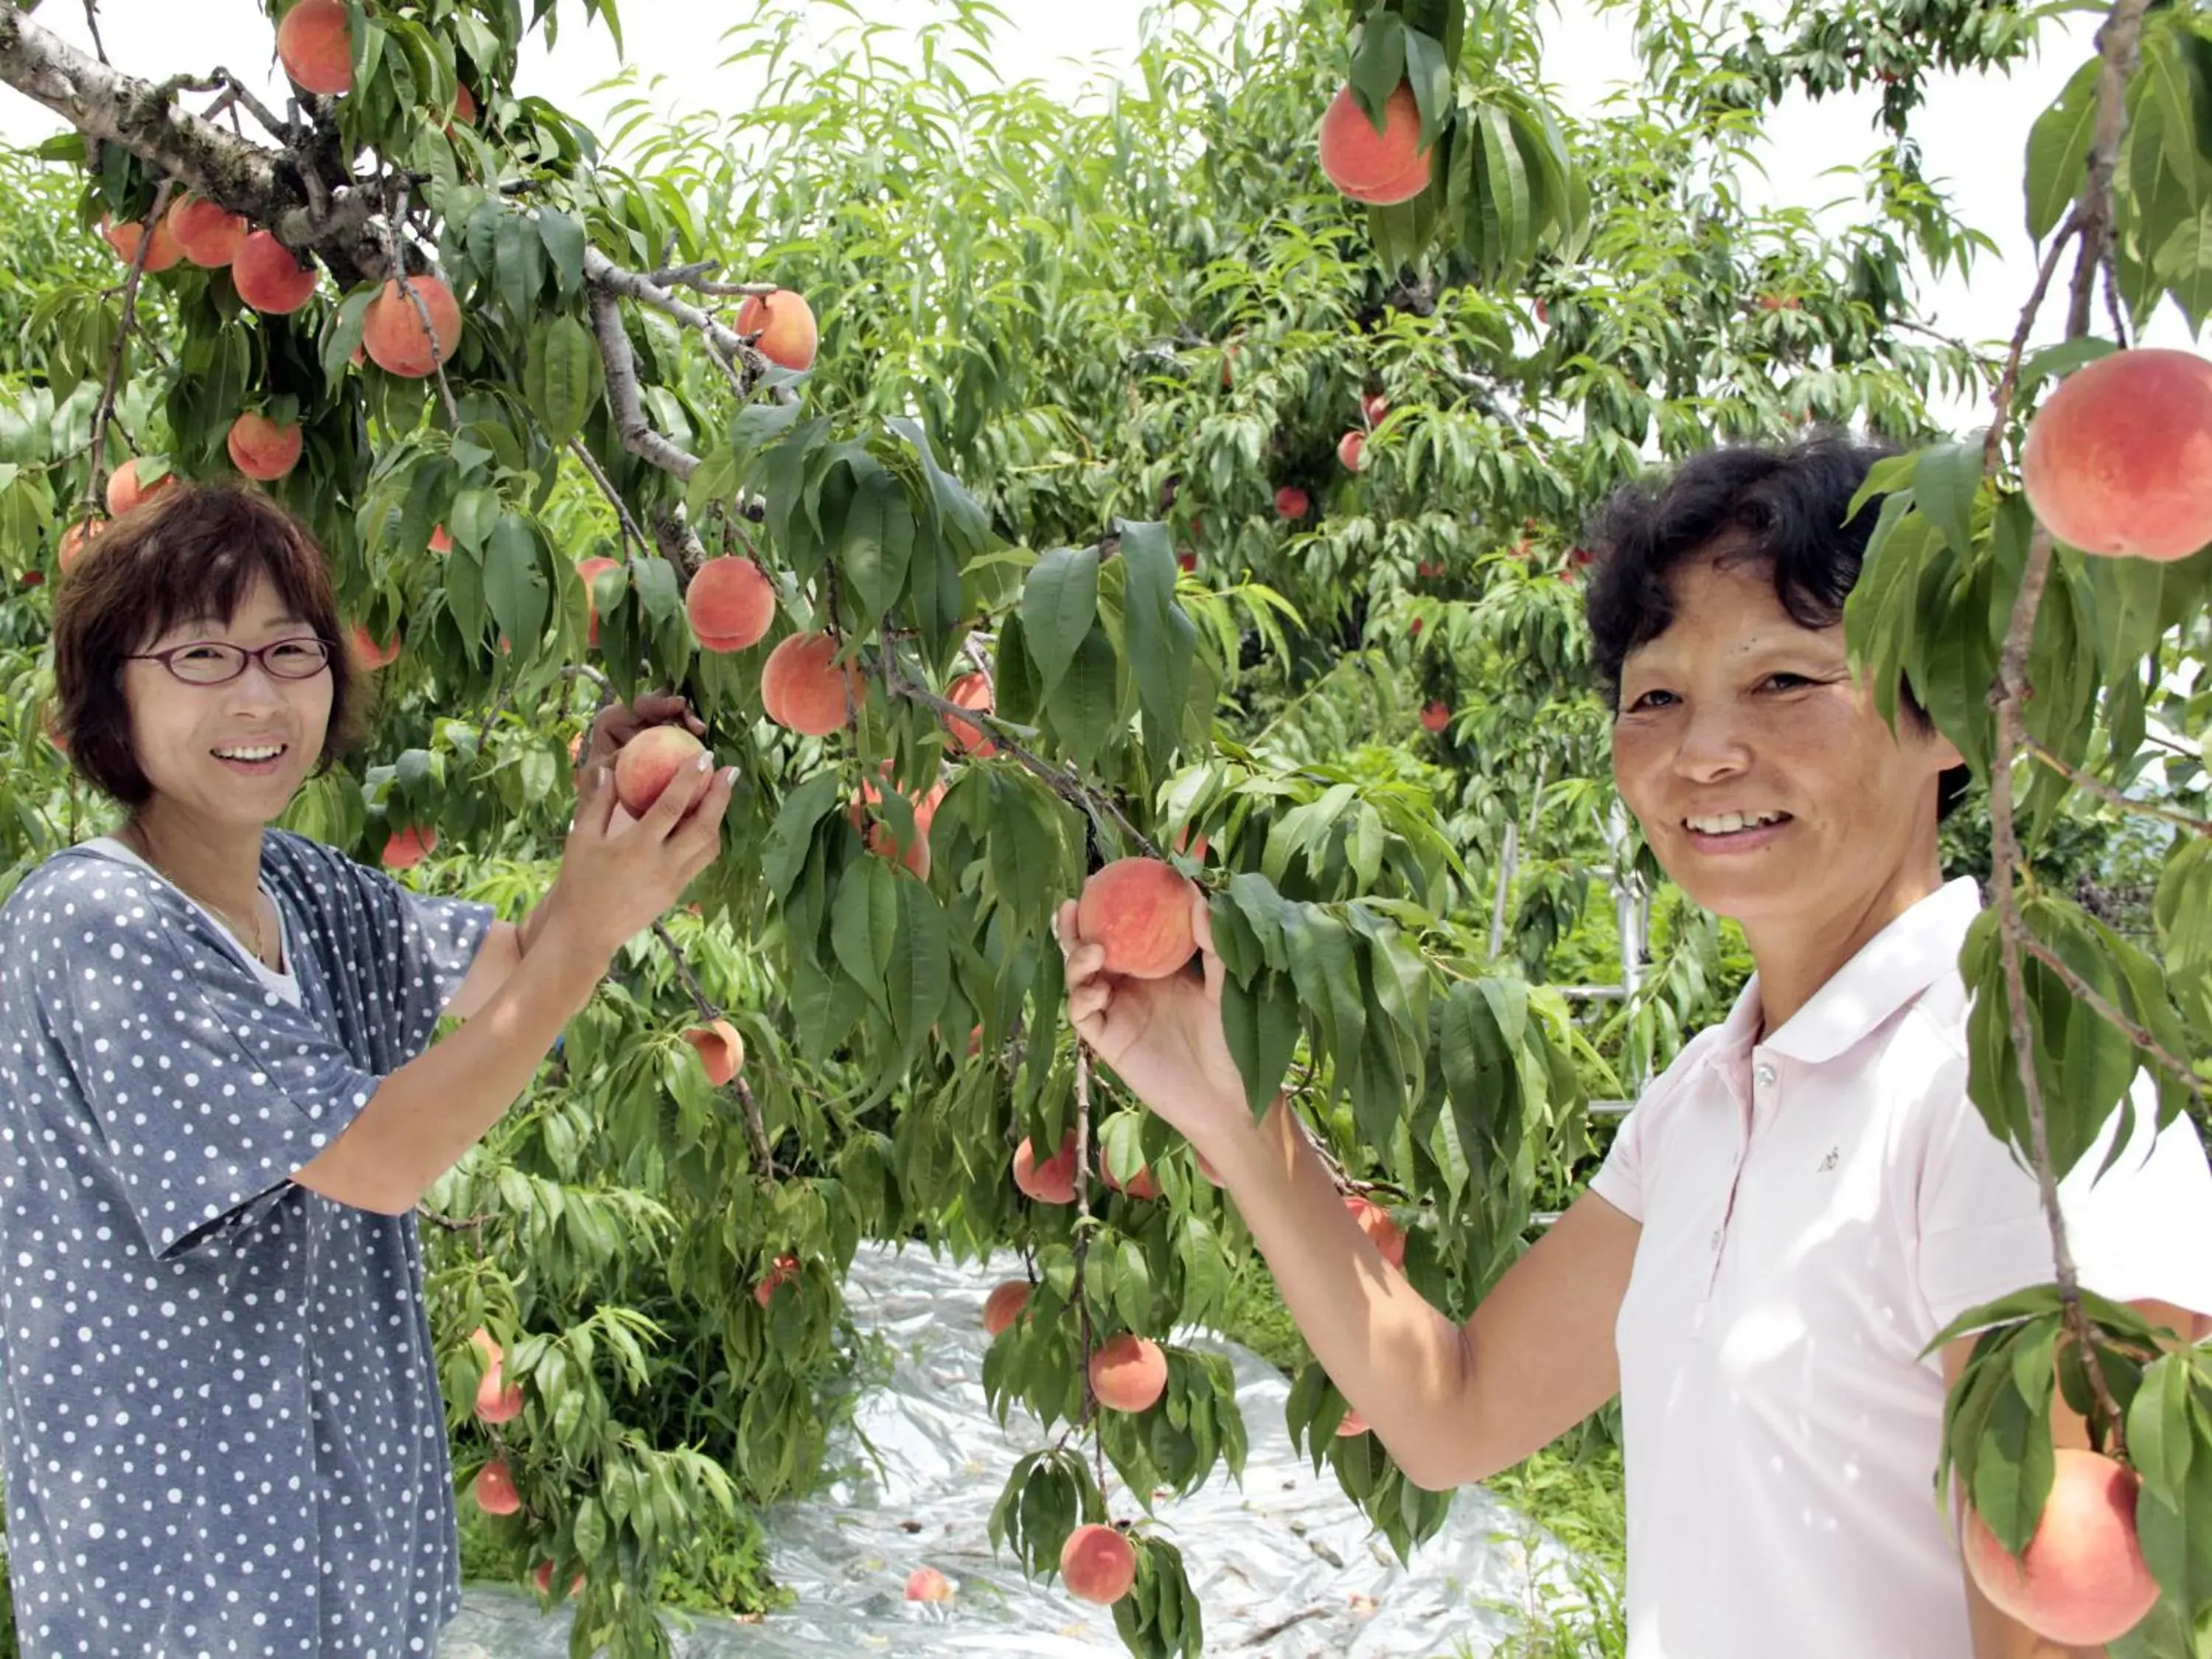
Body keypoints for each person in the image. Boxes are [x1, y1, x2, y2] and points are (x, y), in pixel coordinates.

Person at [1059, 431, 2212, 1659]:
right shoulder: (1706, 1098)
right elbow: (1456, 1409)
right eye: (1655, 696)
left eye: (1784, 681)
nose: (1703, 751)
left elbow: (2074, 1618)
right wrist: (1234, 1113)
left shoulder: (2010, 1080)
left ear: (1946, 720)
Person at [0, 481, 734, 1657]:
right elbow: (381, 1157)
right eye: (199, 652)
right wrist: (594, 926)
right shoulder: (98, 919)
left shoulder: (298, 884)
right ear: (110, 696)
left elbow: (513, 968)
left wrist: (603, 831)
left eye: (290, 649)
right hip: (182, 1592)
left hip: (348, 1565)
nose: (257, 692)